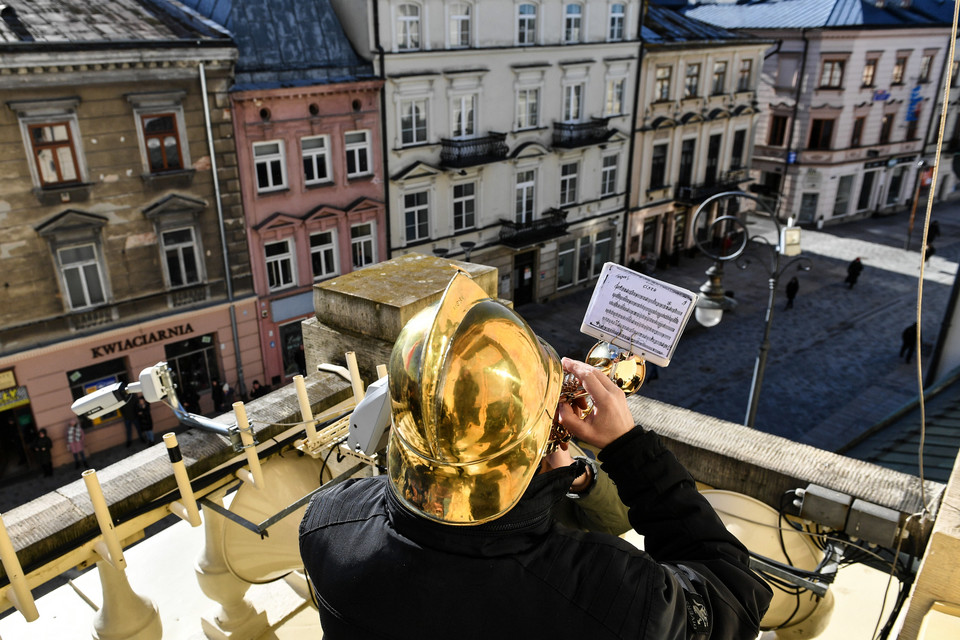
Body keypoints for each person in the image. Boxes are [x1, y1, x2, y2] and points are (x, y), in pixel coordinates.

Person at [300, 273, 771, 640]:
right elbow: (734, 594)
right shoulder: (610, 592)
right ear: (536, 448)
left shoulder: (326, 519)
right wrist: (627, 446)